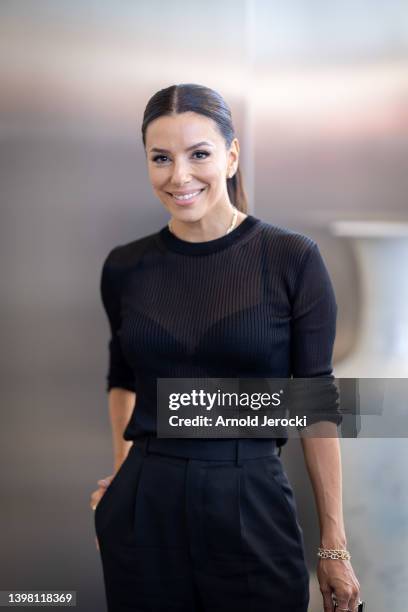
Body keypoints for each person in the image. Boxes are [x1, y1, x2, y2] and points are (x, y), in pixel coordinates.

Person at [90, 83, 362, 612]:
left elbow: (315, 403)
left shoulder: (291, 259)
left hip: (251, 493)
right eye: (161, 158)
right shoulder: (125, 267)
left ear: (232, 155)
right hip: (145, 501)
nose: (179, 176)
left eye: (199, 154)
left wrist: (334, 543)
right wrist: (122, 479)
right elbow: (122, 377)